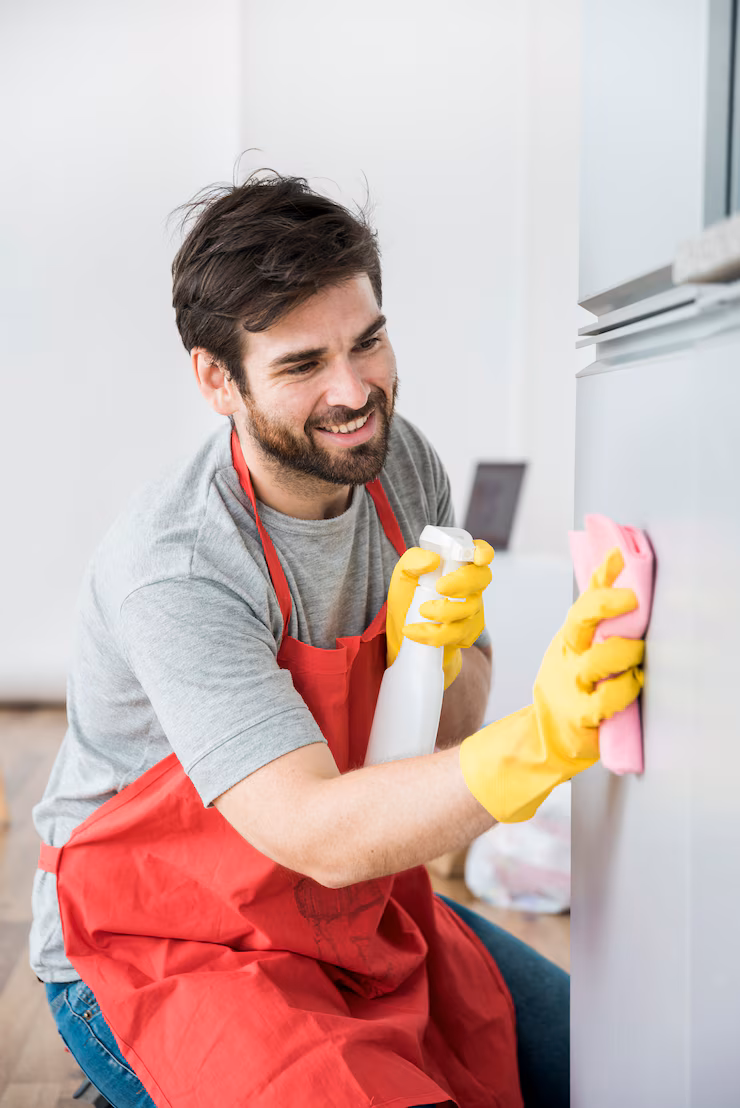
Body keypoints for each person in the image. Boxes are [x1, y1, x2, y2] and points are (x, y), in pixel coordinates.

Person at [31, 171, 644, 1108]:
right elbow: (314, 830)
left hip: (351, 913)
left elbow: (436, 744)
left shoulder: (400, 463)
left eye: (369, 342)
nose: (355, 392)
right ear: (216, 380)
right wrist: (544, 743)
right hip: (168, 946)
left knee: (617, 1067)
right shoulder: (179, 566)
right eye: (302, 364)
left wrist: (441, 651)